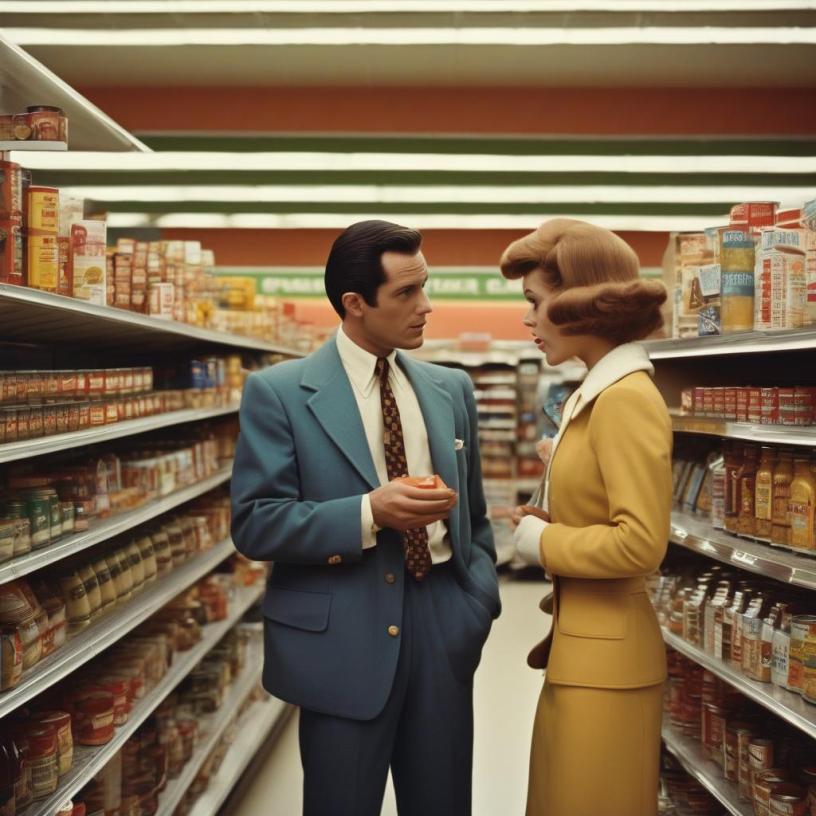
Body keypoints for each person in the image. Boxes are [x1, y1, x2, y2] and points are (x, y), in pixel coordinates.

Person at [231, 219, 500, 816]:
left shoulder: (450, 389)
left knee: (442, 801)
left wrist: (474, 604)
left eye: (425, 286)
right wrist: (367, 512)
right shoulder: (278, 393)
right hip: (341, 630)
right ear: (355, 304)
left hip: (441, 620)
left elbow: (474, 517)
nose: (426, 306)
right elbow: (255, 523)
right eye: (406, 293)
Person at [501, 218, 672, 816]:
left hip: (608, 667)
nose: (526, 320)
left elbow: (640, 544)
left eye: (534, 302)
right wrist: (554, 515)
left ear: (578, 305)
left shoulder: (624, 398)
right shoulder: (595, 393)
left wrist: (541, 542)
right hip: (587, 655)